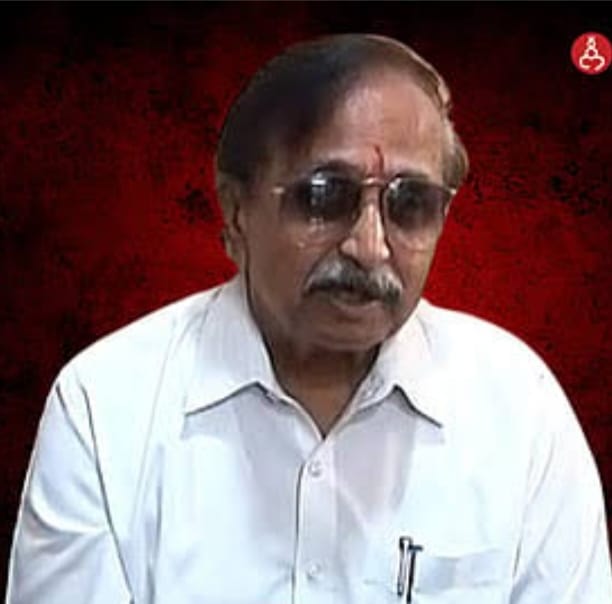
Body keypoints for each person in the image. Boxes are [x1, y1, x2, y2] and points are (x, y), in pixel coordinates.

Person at [6, 34, 611, 604]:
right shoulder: (107, 405)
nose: (370, 247)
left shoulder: (518, 408)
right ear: (236, 210)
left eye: (411, 204)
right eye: (324, 196)